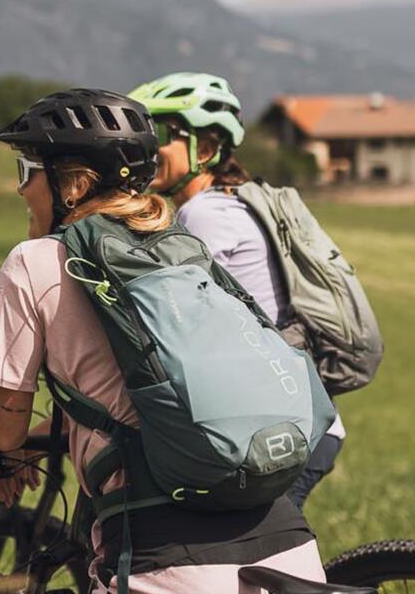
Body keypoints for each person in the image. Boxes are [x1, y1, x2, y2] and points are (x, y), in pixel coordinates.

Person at [0, 89, 326, 593]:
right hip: (289, 546)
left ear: (74, 184)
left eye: (28, 170)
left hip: (164, 564)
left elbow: (4, 428)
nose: (21, 188)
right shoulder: (182, 248)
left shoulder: (33, 262)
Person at [128, 72, 345, 509]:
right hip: (284, 419)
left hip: (277, 433)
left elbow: (178, 328)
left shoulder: (203, 216)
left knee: (248, 548)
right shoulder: (230, 203)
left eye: (161, 136)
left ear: (205, 149)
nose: (147, 151)